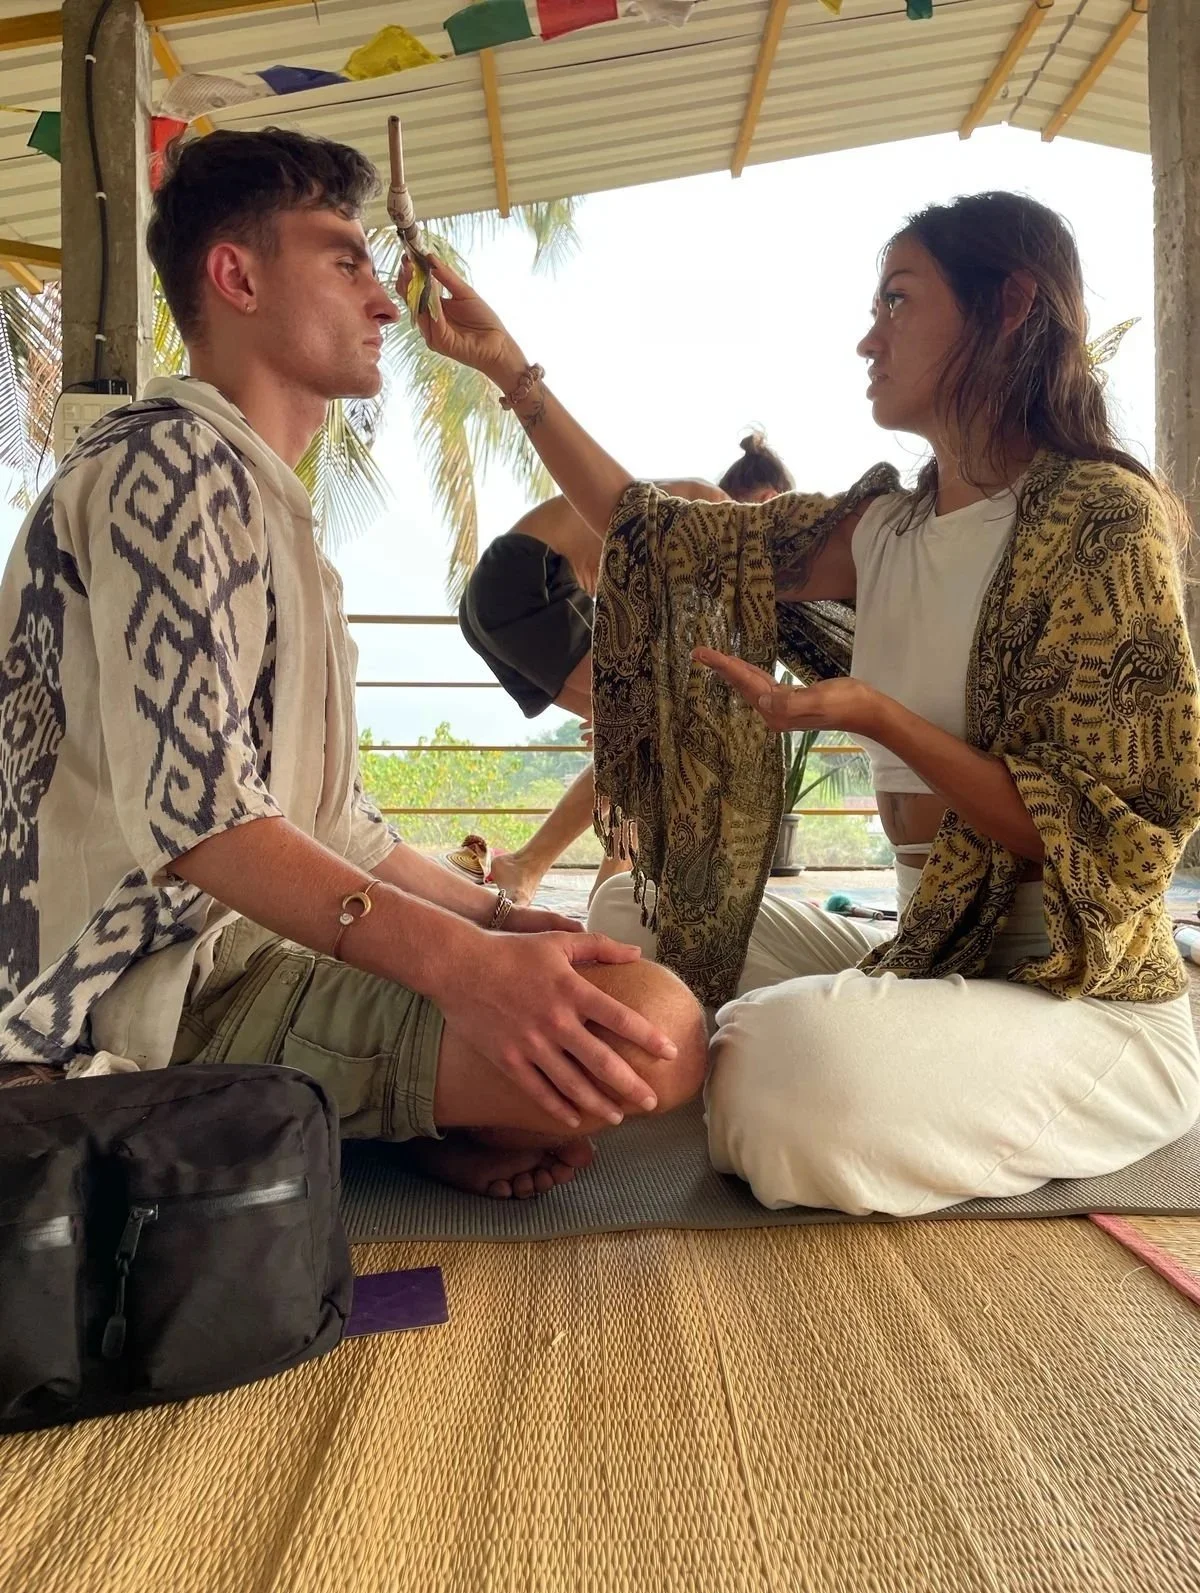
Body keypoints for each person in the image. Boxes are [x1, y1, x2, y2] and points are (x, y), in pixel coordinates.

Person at [403, 189, 1200, 1217]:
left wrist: (877, 716)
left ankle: (802, 1058)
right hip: (924, 944)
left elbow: (1121, 841)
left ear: (1009, 306)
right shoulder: (887, 526)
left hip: (1077, 991)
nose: (870, 337)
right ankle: (799, 1047)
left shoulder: (1103, 521)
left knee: (781, 1067)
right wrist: (513, 371)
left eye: (900, 302)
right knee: (618, 920)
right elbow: (656, 532)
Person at [0, 127, 708, 1200]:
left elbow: (333, 825)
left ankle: (354, 1123)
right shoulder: (169, 467)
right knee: (656, 1034)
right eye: (344, 259)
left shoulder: (263, 504)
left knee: (608, 997)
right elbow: (204, 825)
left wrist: (505, 921)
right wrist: (472, 971)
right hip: (140, 989)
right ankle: (161, 1111)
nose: (385, 302)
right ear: (234, 275)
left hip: (247, 952)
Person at [449, 434, 796, 907]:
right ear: (771, 501)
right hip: (530, 581)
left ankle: (607, 897)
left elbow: (668, 648)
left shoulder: (696, 525)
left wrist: (629, 714)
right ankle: (553, 875)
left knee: (646, 740)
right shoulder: (711, 508)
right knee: (655, 730)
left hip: (501, 594)